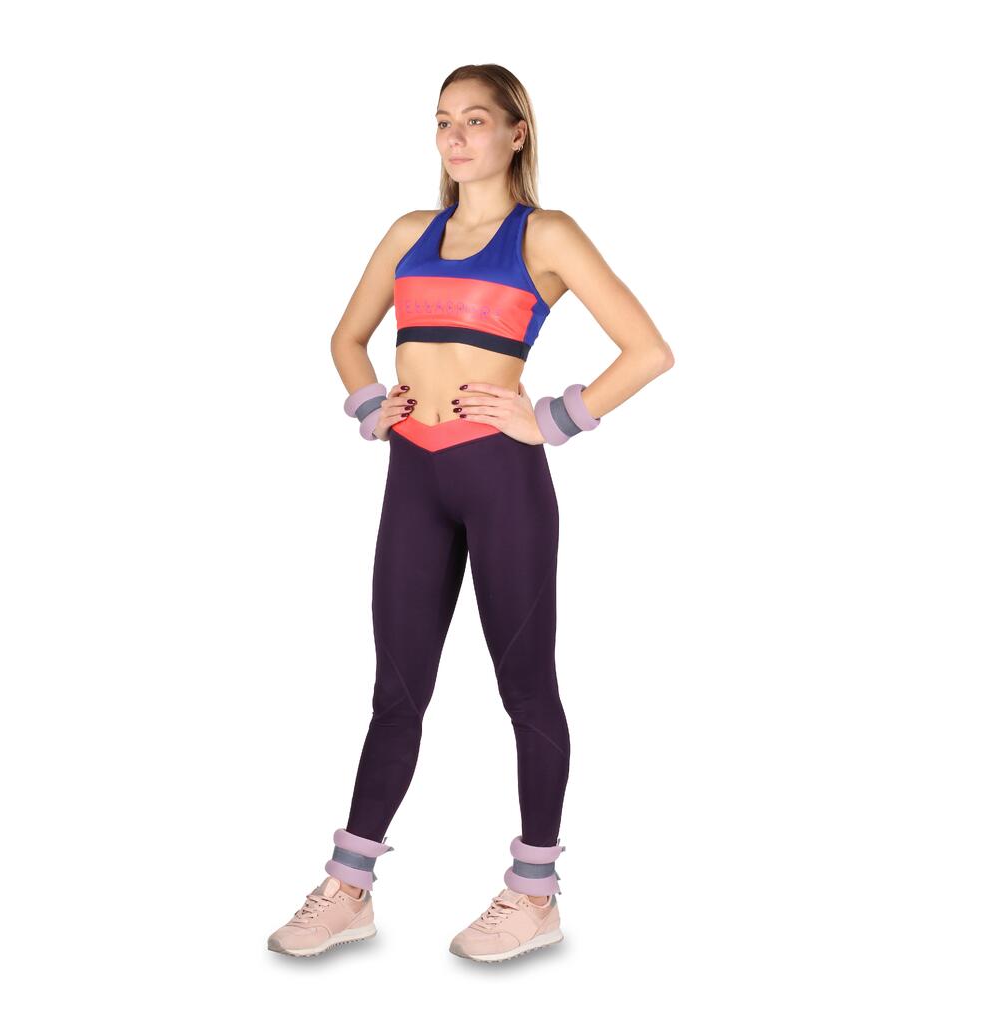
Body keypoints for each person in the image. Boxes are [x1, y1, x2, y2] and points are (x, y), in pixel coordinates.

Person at [267, 63, 674, 962]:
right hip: (413, 477)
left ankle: (534, 896)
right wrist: (371, 405)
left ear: (516, 132)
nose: (455, 136)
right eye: (443, 120)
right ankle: (349, 889)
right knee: (397, 692)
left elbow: (648, 350)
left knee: (525, 687)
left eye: (476, 120)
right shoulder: (411, 231)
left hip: (501, 479)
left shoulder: (546, 234)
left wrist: (554, 418)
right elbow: (347, 337)